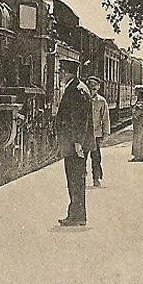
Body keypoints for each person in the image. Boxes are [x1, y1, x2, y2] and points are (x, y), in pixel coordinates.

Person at [55, 75, 94, 226]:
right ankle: (76, 214)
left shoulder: (77, 90)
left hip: (75, 143)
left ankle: (77, 216)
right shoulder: (78, 88)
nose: (60, 73)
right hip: (74, 142)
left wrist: (78, 142)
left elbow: (79, 119)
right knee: (75, 179)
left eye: (61, 70)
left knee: (75, 179)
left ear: (67, 72)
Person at [87, 76, 111, 187]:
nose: (92, 91)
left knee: (96, 158)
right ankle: (82, 177)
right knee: (82, 158)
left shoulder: (101, 101)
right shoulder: (83, 99)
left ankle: (96, 178)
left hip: (96, 134)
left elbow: (105, 118)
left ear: (97, 89)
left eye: (94, 89)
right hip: (84, 134)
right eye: (90, 88)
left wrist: (106, 133)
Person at [130, 85, 143, 162]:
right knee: (140, 139)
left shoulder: (141, 103)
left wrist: (133, 109)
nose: (135, 93)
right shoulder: (141, 102)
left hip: (139, 122)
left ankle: (138, 156)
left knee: (137, 139)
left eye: (136, 92)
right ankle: (141, 155)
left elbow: (137, 112)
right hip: (140, 122)